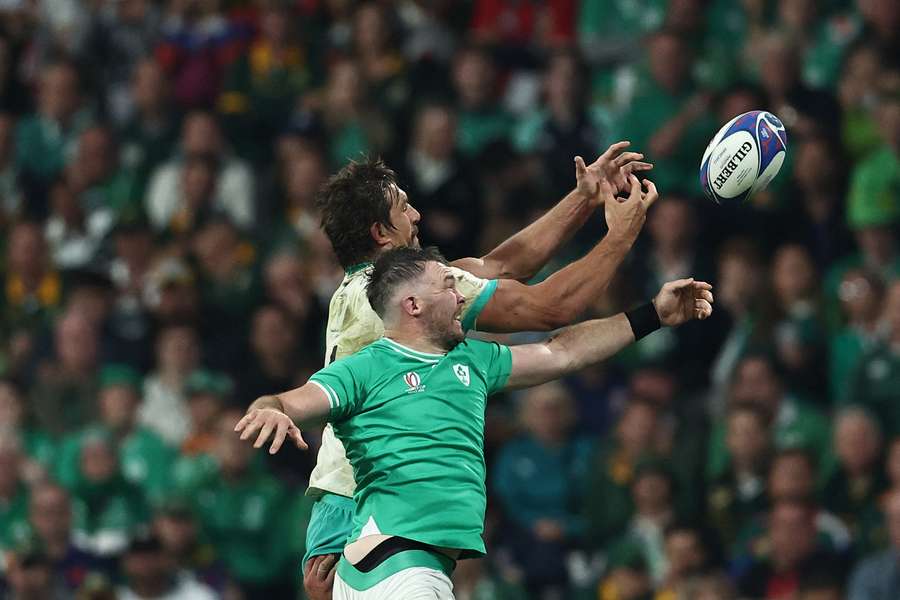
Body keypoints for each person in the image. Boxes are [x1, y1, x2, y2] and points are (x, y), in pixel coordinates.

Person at [236, 245, 713, 599]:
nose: (460, 296)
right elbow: (286, 400)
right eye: (448, 285)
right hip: (400, 565)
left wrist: (654, 314)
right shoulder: (366, 367)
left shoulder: (474, 360)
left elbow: (564, 349)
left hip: (397, 570)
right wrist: (268, 410)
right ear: (413, 305)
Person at [300, 146, 653, 598]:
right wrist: (620, 237)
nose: (417, 213)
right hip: (371, 506)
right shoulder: (404, 295)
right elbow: (550, 308)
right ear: (381, 233)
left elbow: (499, 265)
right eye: (404, 207)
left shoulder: (372, 290)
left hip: (353, 501)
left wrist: (585, 197)